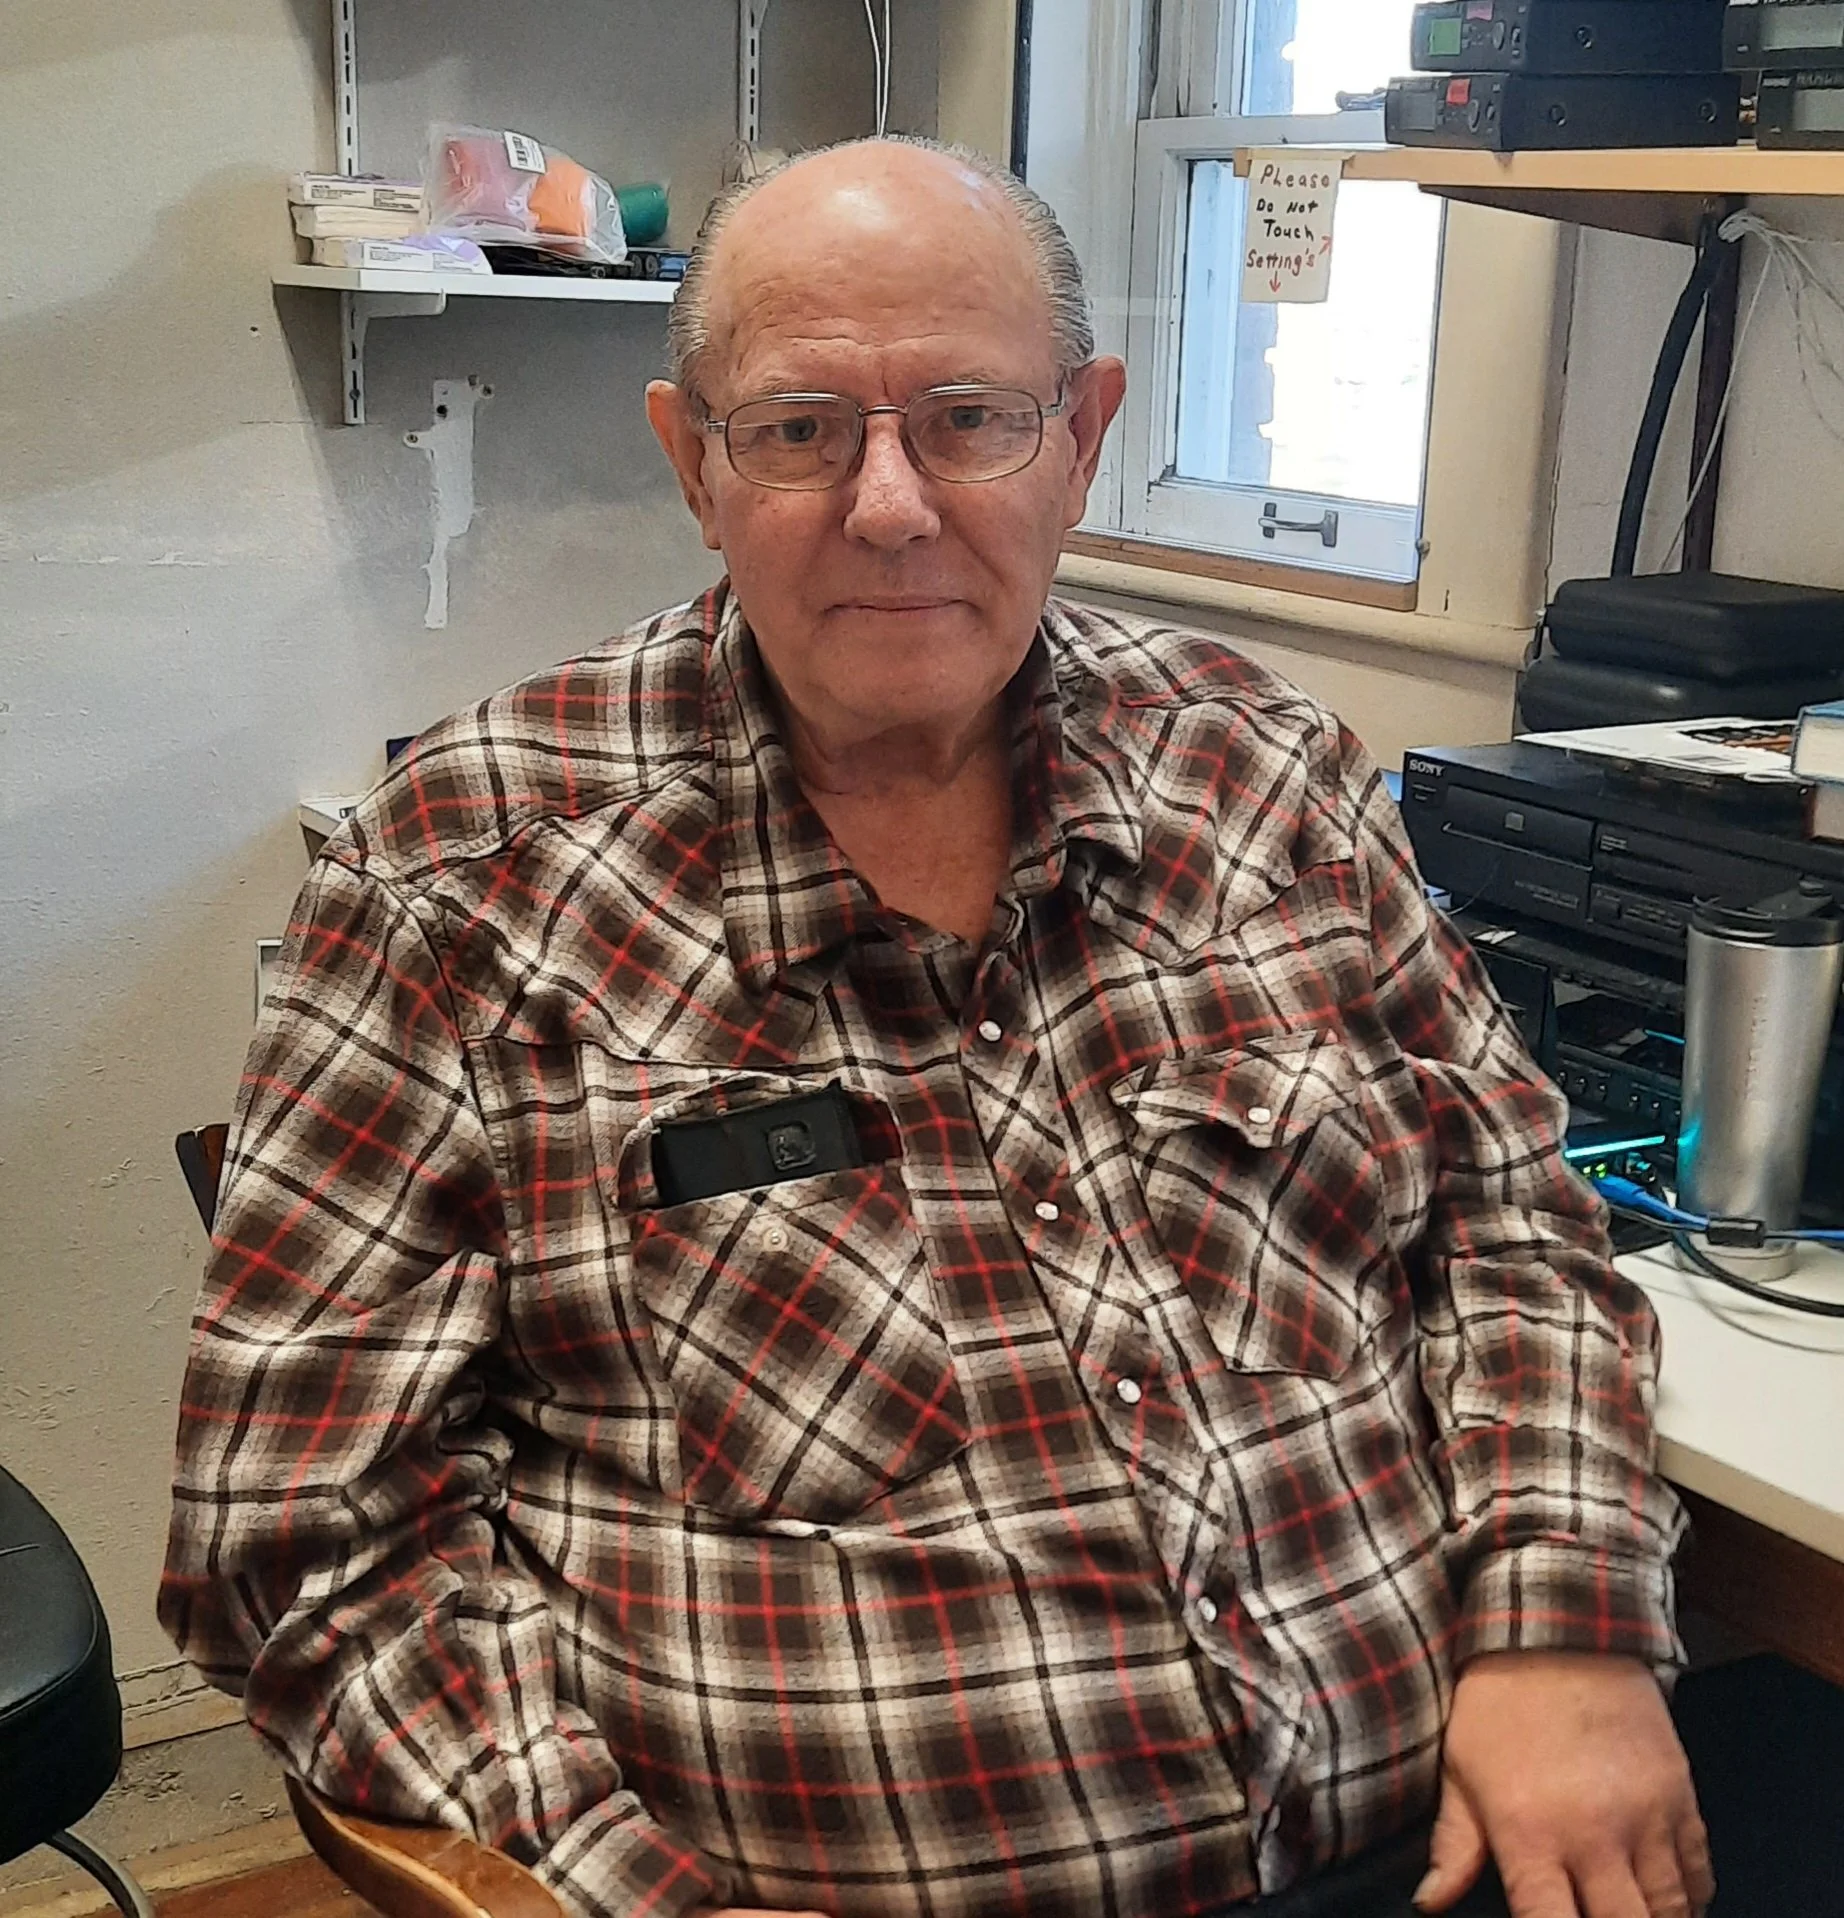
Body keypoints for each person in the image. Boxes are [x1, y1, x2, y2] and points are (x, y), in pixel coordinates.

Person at [160, 137, 1709, 1918]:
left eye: (970, 417)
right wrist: (631, 1896)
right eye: (803, 428)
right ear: (691, 461)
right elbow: (300, 1544)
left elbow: (1515, 1237)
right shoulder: (459, 884)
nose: (892, 504)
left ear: (1085, 434)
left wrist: (1567, 1628)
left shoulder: (1260, 773)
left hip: (1455, 1846)